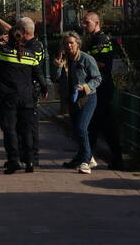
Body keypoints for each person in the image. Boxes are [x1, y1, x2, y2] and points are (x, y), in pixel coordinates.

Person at [0, 25, 47, 174]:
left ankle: (14, 160)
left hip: (9, 98)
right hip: (27, 98)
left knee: (10, 129)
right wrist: (44, 89)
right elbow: (39, 76)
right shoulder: (30, 55)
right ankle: (30, 161)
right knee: (26, 130)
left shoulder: (0, 51)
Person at [53, 31, 101, 174]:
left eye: (71, 43)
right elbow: (56, 78)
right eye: (66, 43)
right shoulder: (66, 60)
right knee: (76, 130)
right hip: (72, 99)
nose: (68, 46)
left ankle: (85, 162)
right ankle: (86, 157)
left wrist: (85, 87)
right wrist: (58, 63)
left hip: (87, 98)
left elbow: (97, 78)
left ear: (78, 44)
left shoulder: (86, 59)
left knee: (81, 128)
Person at [82, 11, 125, 170]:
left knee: (103, 123)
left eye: (87, 22)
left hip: (103, 86)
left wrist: (86, 64)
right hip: (97, 86)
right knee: (95, 123)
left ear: (96, 23)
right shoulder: (93, 39)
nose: (84, 25)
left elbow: (102, 64)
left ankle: (113, 158)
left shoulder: (101, 40)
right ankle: (86, 156)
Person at [17, 16, 47, 166]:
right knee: (22, 124)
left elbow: (28, 65)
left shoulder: (33, 47)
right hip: (26, 89)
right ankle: (24, 156)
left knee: (30, 125)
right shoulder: (34, 44)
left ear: (23, 31)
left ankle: (33, 157)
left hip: (30, 90)